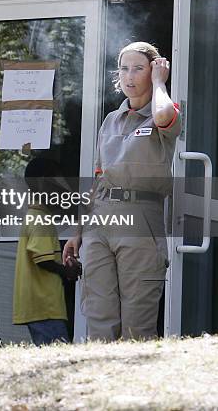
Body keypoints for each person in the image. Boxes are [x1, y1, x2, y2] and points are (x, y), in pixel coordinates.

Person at [63, 41, 180, 341]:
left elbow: (165, 115)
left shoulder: (161, 110)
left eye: (138, 69)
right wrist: (78, 231)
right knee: (99, 317)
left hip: (141, 217)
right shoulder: (110, 121)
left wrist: (159, 83)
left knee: (136, 325)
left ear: (153, 70)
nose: (129, 76)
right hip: (100, 219)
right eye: (124, 69)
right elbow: (98, 178)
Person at [13, 158, 81, 345]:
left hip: (40, 307)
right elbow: (42, 260)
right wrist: (66, 271)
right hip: (44, 307)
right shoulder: (40, 219)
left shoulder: (37, 216)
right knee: (58, 352)